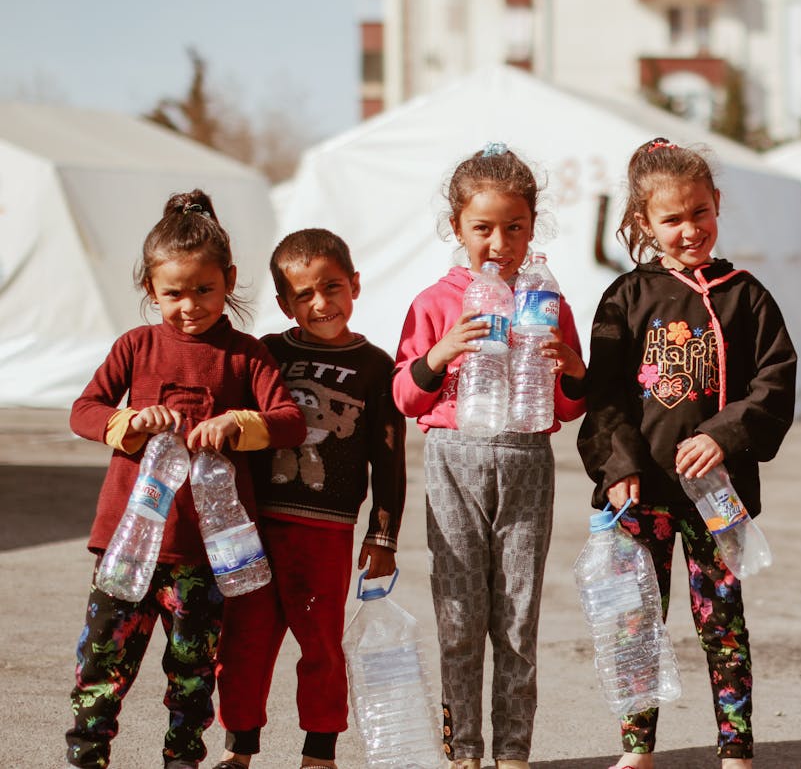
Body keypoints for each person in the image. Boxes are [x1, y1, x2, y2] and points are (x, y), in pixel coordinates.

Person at [577, 137, 798, 769]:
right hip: (642, 494)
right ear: (645, 223)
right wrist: (617, 468)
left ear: (717, 205)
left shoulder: (745, 294)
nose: (688, 229)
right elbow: (607, 397)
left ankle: (736, 750)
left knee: (722, 622)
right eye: (671, 219)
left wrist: (723, 435)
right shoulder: (625, 297)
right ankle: (636, 749)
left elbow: (775, 381)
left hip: (716, 497)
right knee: (635, 622)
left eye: (699, 212)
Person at [66, 190, 306, 769]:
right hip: (128, 544)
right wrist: (128, 421)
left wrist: (239, 422)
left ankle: (183, 760)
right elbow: (84, 410)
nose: (189, 306)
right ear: (151, 290)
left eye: (204, 290)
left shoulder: (247, 357)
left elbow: (290, 422)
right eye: (173, 293)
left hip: (205, 554)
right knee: (103, 662)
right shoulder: (136, 346)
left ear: (229, 280)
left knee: (194, 671)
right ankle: (87, 755)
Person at [392, 143, 587, 769]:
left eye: (515, 227)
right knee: (457, 619)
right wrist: (442, 351)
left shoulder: (548, 300)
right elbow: (402, 393)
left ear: (534, 227)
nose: (499, 242)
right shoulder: (433, 302)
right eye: (483, 228)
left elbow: (570, 403)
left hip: (526, 458)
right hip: (453, 458)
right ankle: (463, 752)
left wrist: (572, 366)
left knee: (517, 620)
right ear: (457, 229)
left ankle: (512, 754)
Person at [214, 228, 407, 769]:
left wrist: (383, 534)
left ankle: (319, 754)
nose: (321, 304)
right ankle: (240, 750)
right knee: (244, 644)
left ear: (355, 285)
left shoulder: (377, 368)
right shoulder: (267, 354)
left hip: (326, 533)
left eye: (332, 287)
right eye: (304, 295)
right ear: (283, 303)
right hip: (255, 528)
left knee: (320, 647)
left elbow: (389, 460)